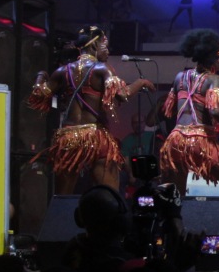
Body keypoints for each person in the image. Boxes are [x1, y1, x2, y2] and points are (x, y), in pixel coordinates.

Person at [26, 25, 154, 194]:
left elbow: (39, 94)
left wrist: (41, 75)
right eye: (105, 46)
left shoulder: (62, 71)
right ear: (94, 46)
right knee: (110, 196)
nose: (108, 52)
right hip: (96, 137)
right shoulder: (102, 69)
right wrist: (141, 82)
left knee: (62, 198)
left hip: (68, 138)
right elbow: (123, 94)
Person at [161, 29, 219, 233]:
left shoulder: (179, 77)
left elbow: (168, 110)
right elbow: (216, 110)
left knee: (175, 196)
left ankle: (173, 241)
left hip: (176, 141)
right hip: (202, 141)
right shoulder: (213, 79)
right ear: (213, 58)